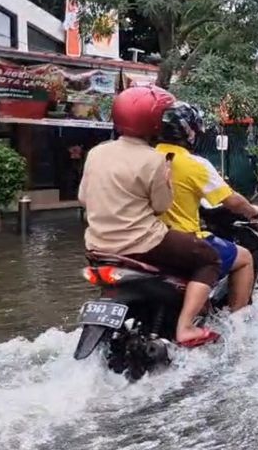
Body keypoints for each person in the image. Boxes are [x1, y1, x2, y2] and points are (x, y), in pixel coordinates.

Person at [78, 86, 222, 347]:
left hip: (98, 247)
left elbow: (83, 198)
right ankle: (186, 327)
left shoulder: (97, 152)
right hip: (143, 243)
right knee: (209, 258)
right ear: (152, 121)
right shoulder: (153, 159)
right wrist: (165, 179)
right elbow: (161, 206)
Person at [156, 101, 258, 312]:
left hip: (145, 240)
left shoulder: (145, 158)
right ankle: (238, 323)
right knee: (244, 258)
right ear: (190, 132)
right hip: (183, 241)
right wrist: (253, 211)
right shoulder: (194, 164)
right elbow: (232, 200)